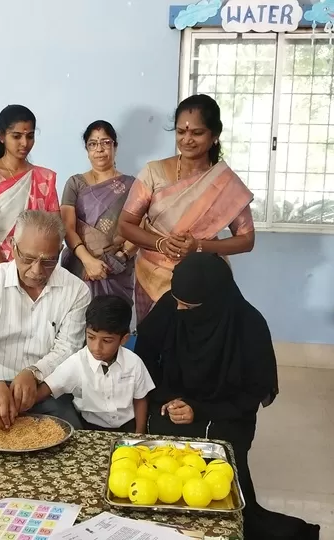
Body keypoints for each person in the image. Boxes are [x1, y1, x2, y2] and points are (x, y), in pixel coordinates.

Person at [136, 253, 319, 540]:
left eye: (189, 306)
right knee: (156, 458)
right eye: (178, 301)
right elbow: (144, 360)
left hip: (225, 411)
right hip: (171, 401)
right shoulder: (170, 306)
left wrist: (199, 409)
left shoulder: (249, 325)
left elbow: (252, 393)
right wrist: (169, 398)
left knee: (219, 459)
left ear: (213, 302)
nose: (179, 310)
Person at [119, 94, 256, 323]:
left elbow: (247, 240)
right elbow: (125, 225)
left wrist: (199, 247)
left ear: (215, 135)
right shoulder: (154, 172)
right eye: (181, 132)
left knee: (198, 339)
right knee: (154, 338)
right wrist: (161, 243)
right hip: (152, 276)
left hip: (203, 280)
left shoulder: (226, 183)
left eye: (197, 133)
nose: (187, 139)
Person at [0, 210, 90, 429]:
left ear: (60, 251)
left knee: (71, 433)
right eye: (28, 258)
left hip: (44, 389)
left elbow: (68, 347)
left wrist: (34, 373)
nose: (36, 271)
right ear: (13, 246)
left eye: (48, 261)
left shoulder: (76, 291)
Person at [37, 294, 153, 433]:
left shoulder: (134, 363)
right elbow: (46, 388)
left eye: (107, 341)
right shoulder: (76, 363)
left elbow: (140, 399)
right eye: (91, 337)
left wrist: (139, 434)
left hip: (128, 427)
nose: (96, 347)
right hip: (90, 429)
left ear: (124, 339)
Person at [0, 105, 59, 273]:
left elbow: (55, 230)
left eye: (30, 136)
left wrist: (35, 269)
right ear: (1, 136)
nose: (24, 143)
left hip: (35, 271)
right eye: (17, 136)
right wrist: (6, 273)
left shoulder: (44, 178)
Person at [60, 121, 137, 304]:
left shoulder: (132, 185)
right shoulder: (75, 184)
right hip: (79, 267)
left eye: (105, 142)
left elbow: (139, 227)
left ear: (115, 146)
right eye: (93, 144)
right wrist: (88, 261)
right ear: (87, 150)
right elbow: (67, 228)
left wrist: (120, 257)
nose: (99, 149)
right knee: (77, 318)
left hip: (117, 269)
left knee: (113, 318)